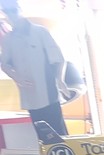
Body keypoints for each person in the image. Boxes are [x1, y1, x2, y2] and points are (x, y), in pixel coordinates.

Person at [0, 1, 68, 135]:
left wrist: (60, 80)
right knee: (42, 135)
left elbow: (58, 58)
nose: (11, 14)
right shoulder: (8, 40)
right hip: (30, 96)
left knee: (59, 133)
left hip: (49, 93)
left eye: (13, 10)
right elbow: (4, 64)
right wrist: (18, 78)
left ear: (20, 9)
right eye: (7, 11)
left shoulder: (40, 32)